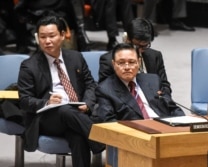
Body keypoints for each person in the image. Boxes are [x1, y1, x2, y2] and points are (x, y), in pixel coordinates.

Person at [17, 15, 105, 167]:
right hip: (47, 118)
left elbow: (91, 85)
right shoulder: (29, 65)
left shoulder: (76, 57)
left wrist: (87, 104)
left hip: (77, 115)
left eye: (52, 36)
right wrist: (47, 102)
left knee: (78, 137)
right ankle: (101, 141)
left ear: (63, 35)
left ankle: (93, 139)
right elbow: (24, 101)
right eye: (42, 37)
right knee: (65, 110)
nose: (47, 41)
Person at [95, 43, 184, 122]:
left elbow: (173, 108)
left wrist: (184, 123)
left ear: (139, 62)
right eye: (121, 63)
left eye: (131, 62)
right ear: (114, 64)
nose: (127, 67)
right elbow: (109, 122)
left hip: (165, 128)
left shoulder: (153, 80)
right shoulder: (105, 90)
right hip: (135, 134)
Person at [99, 18, 171, 93]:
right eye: (136, 46)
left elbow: (165, 85)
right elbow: (104, 90)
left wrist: (162, 94)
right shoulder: (108, 60)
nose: (139, 50)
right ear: (127, 39)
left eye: (144, 46)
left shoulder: (155, 56)